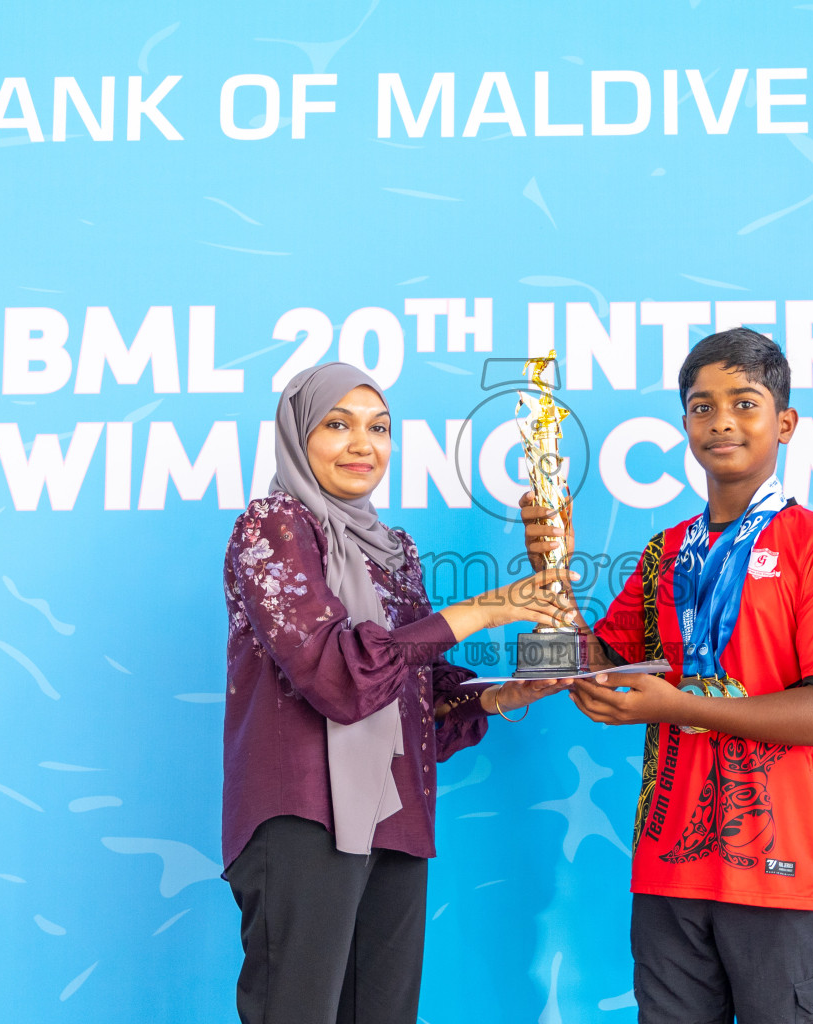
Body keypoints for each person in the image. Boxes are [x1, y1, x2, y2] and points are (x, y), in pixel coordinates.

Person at [522, 328, 813, 1024]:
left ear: (786, 423)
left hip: (780, 867)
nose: (722, 422)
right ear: (685, 425)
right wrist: (548, 573)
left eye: (745, 403)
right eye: (702, 407)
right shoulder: (665, 552)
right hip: (668, 868)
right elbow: (592, 660)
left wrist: (672, 705)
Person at [224, 362, 573, 1024]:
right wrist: (490, 608)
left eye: (379, 428)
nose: (364, 444)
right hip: (305, 816)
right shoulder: (272, 529)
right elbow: (338, 677)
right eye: (338, 424)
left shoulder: (394, 551)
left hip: (395, 816)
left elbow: (411, 700)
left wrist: (507, 692)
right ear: (298, 436)